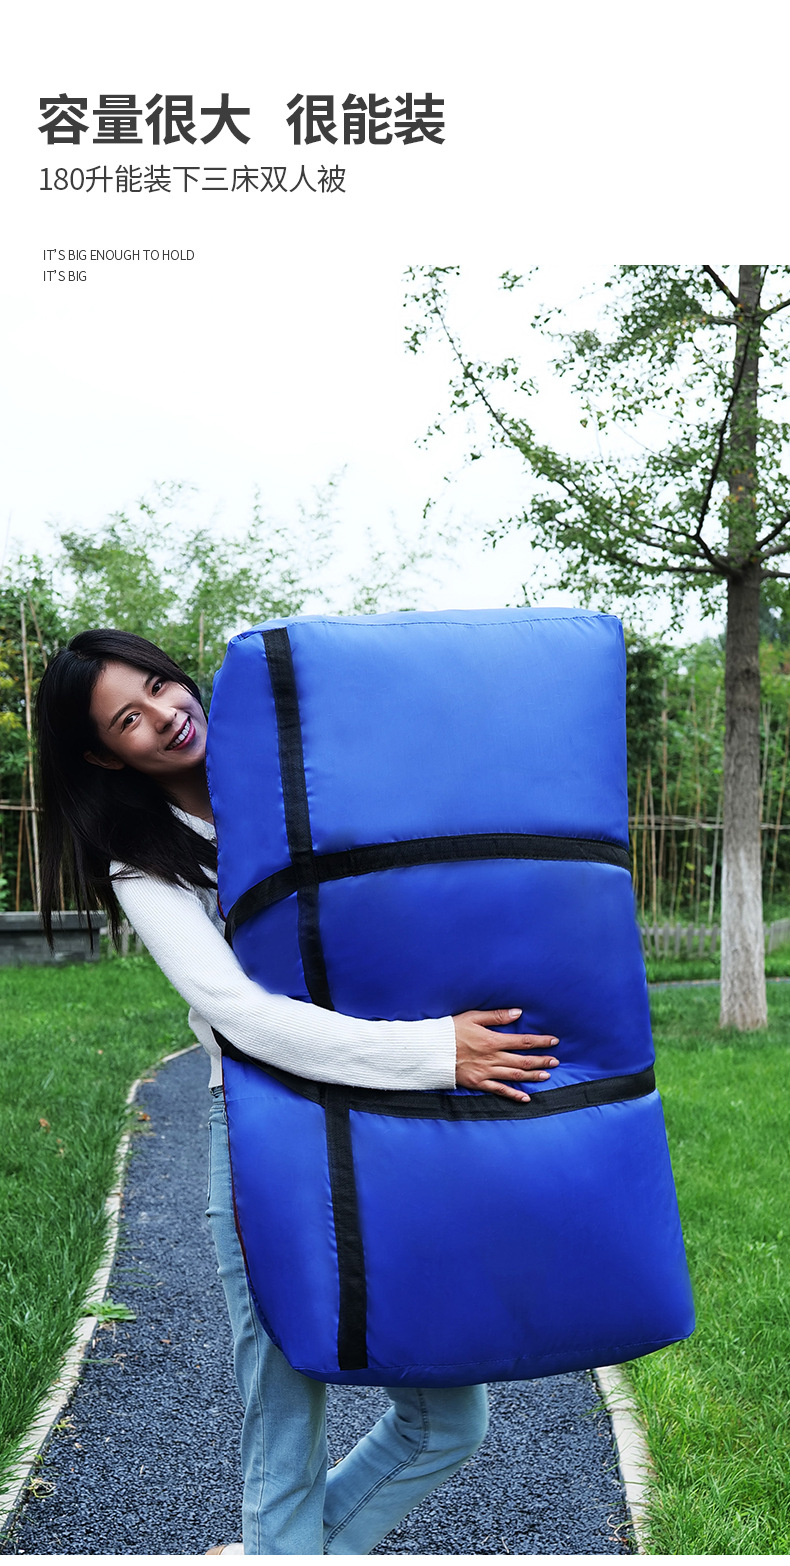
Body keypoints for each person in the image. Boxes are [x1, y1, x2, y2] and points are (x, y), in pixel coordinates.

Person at [35, 628, 560, 1556]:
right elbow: (241, 1015)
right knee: (285, 1420)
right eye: (128, 719)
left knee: (448, 1422)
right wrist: (436, 1052)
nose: (163, 714)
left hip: (388, 1111)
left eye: (158, 684)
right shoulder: (144, 865)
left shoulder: (300, 781)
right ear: (104, 755)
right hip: (267, 1126)